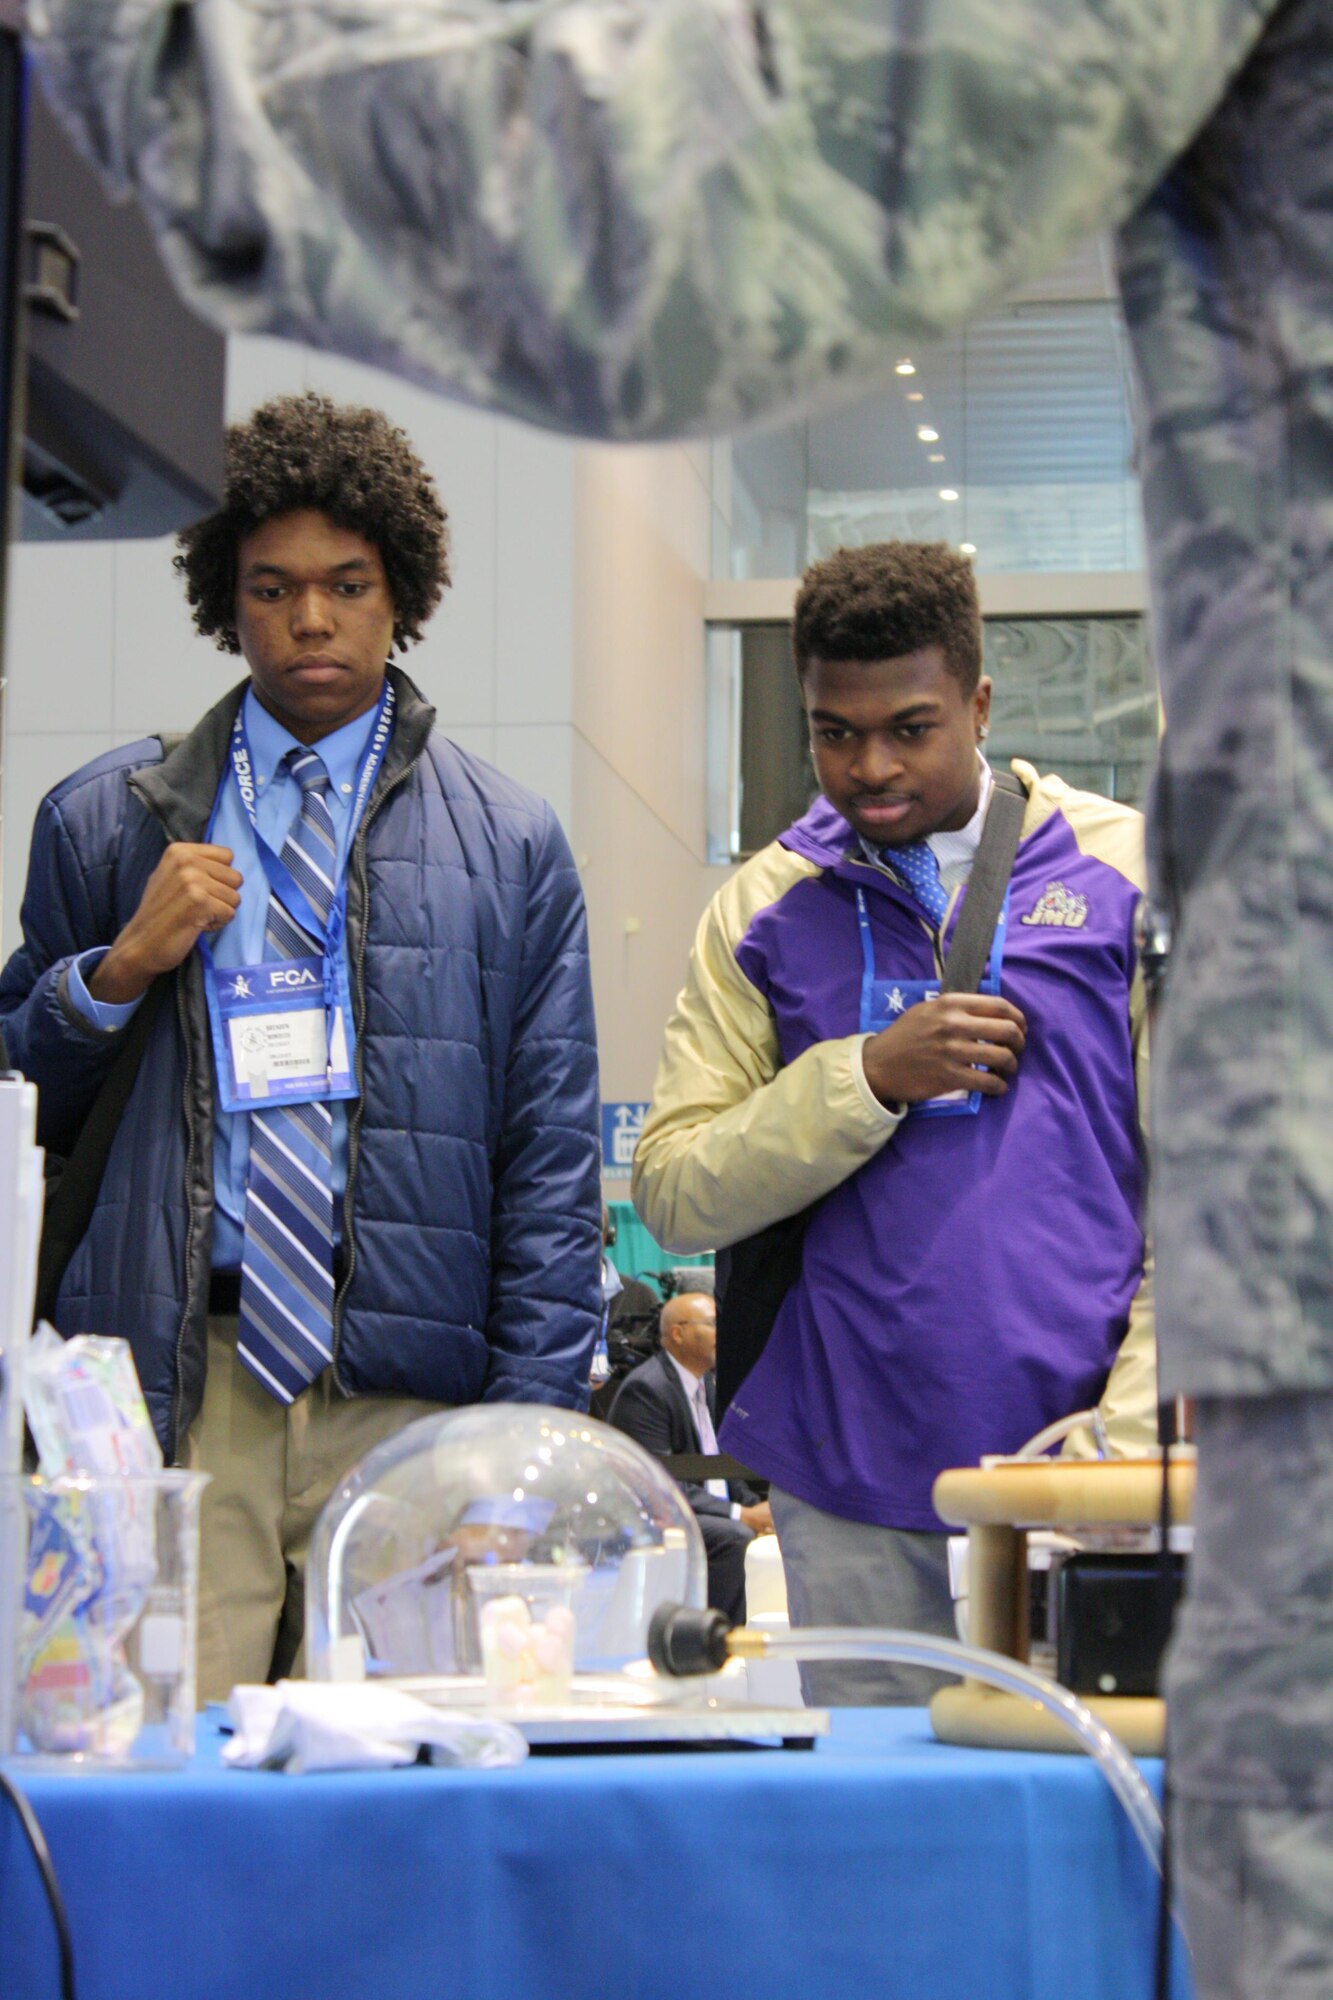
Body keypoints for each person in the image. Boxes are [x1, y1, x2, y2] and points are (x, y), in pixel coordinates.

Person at [0, 391, 602, 1701]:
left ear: (404, 594)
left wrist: (521, 1441)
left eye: (346, 585)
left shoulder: (510, 844)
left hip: (411, 1404)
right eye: (271, 589)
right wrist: (116, 971)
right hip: (180, 1388)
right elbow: (16, 1103)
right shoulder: (109, 820)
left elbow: (551, 1168)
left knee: (407, 1790)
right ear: (228, 598)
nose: (311, 620)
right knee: (156, 1769)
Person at [633, 541, 1156, 1703]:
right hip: (846, 1473)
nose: (867, 766)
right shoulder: (763, 904)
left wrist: (1121, 1447)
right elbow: (669, 1184)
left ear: (977, 702)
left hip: (1081, 1472)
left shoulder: (1125, 873)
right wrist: (863, 1077)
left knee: (1067, 1827)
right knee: (881, 1844)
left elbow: (1211, 1200)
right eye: (833, 730)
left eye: (909, 727)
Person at [609, 1291, 772, 1626]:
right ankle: (715, 1642)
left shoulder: (707, 1386)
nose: (721, 1333)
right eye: (713, 1324)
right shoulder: (647, 1390)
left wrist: (755, 1506)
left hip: (701, 1509)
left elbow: (720, 1464)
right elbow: (658, 1484)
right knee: (733, 1537)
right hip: (652, 1516)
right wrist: (741, 1514)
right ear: (678, 1333)